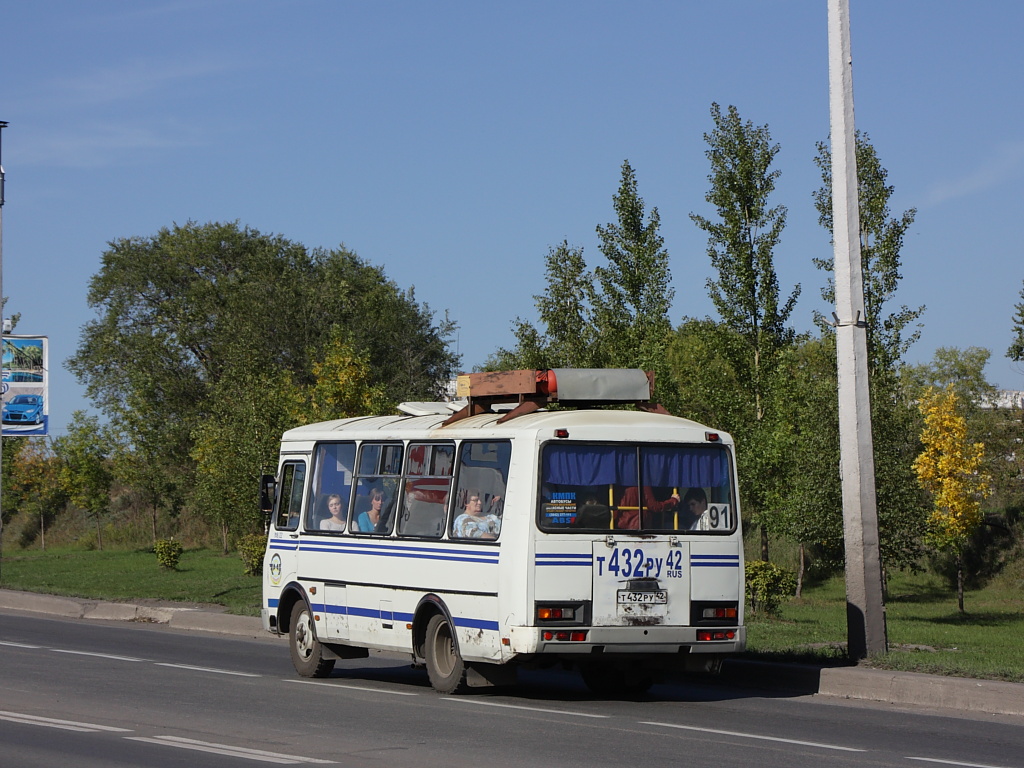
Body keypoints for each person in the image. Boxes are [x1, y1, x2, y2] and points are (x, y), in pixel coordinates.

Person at [615, 486, 679, 530]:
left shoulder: (617, 485)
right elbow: (654, 506)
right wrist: (673, 501)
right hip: (639, 526)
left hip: (620, 525)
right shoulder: (642, 482)